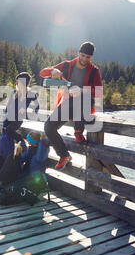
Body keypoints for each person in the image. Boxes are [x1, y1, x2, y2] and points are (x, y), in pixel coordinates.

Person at [40, 42, 103, 170]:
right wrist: (53, 70)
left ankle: (78, 131)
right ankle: (64, 155)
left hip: (84, 105)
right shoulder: (67, 65)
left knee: (85, 97)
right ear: (78, 53)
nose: (85, 59)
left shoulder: (94, 71)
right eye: (83, 55)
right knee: (48, 127)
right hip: (67, 104)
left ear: (91, 57)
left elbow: (99, 92)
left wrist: (82, 90)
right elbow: (42, 73)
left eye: (88, 57)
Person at [0, 72, 39, 172]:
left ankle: (21, 141)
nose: (17, 83)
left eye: (19, 81)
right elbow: (8, 106)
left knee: (9, 131)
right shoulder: (13, 92)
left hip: (18, 119)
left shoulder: (30, 94)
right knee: (5, 134)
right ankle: (5, 158)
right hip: (8, 117)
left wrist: (29, 110)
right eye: (17, 81)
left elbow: (37, 106)